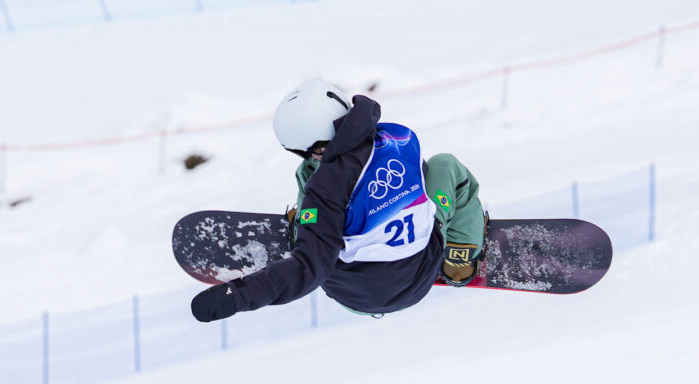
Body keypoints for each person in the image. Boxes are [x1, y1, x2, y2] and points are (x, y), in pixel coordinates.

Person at [191, 79, 486, 323]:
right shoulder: (400, 137)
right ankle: (460, 255)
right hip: (421, 273)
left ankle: (308, 229)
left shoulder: (323, 188)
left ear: (316, 145)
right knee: (446, 166)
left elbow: (308, 270)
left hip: (353, 294)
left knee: (309, 177)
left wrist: (236, 296)